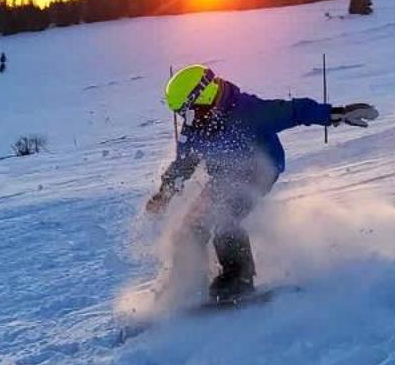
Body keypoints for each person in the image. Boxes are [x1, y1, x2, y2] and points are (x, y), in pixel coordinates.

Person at [146, 65, 378, 301]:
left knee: (224, 218)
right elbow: (183, 165)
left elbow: (294, 111)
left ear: (204, 97)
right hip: (224, 176)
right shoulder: (195, 128)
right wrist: (165, 193)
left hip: (259, 171)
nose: (186, 119)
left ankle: (239, 279)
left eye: (189, 111)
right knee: (190, 227)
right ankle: (186, 281)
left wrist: (335, 114)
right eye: (182, 114)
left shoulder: (247, 111)